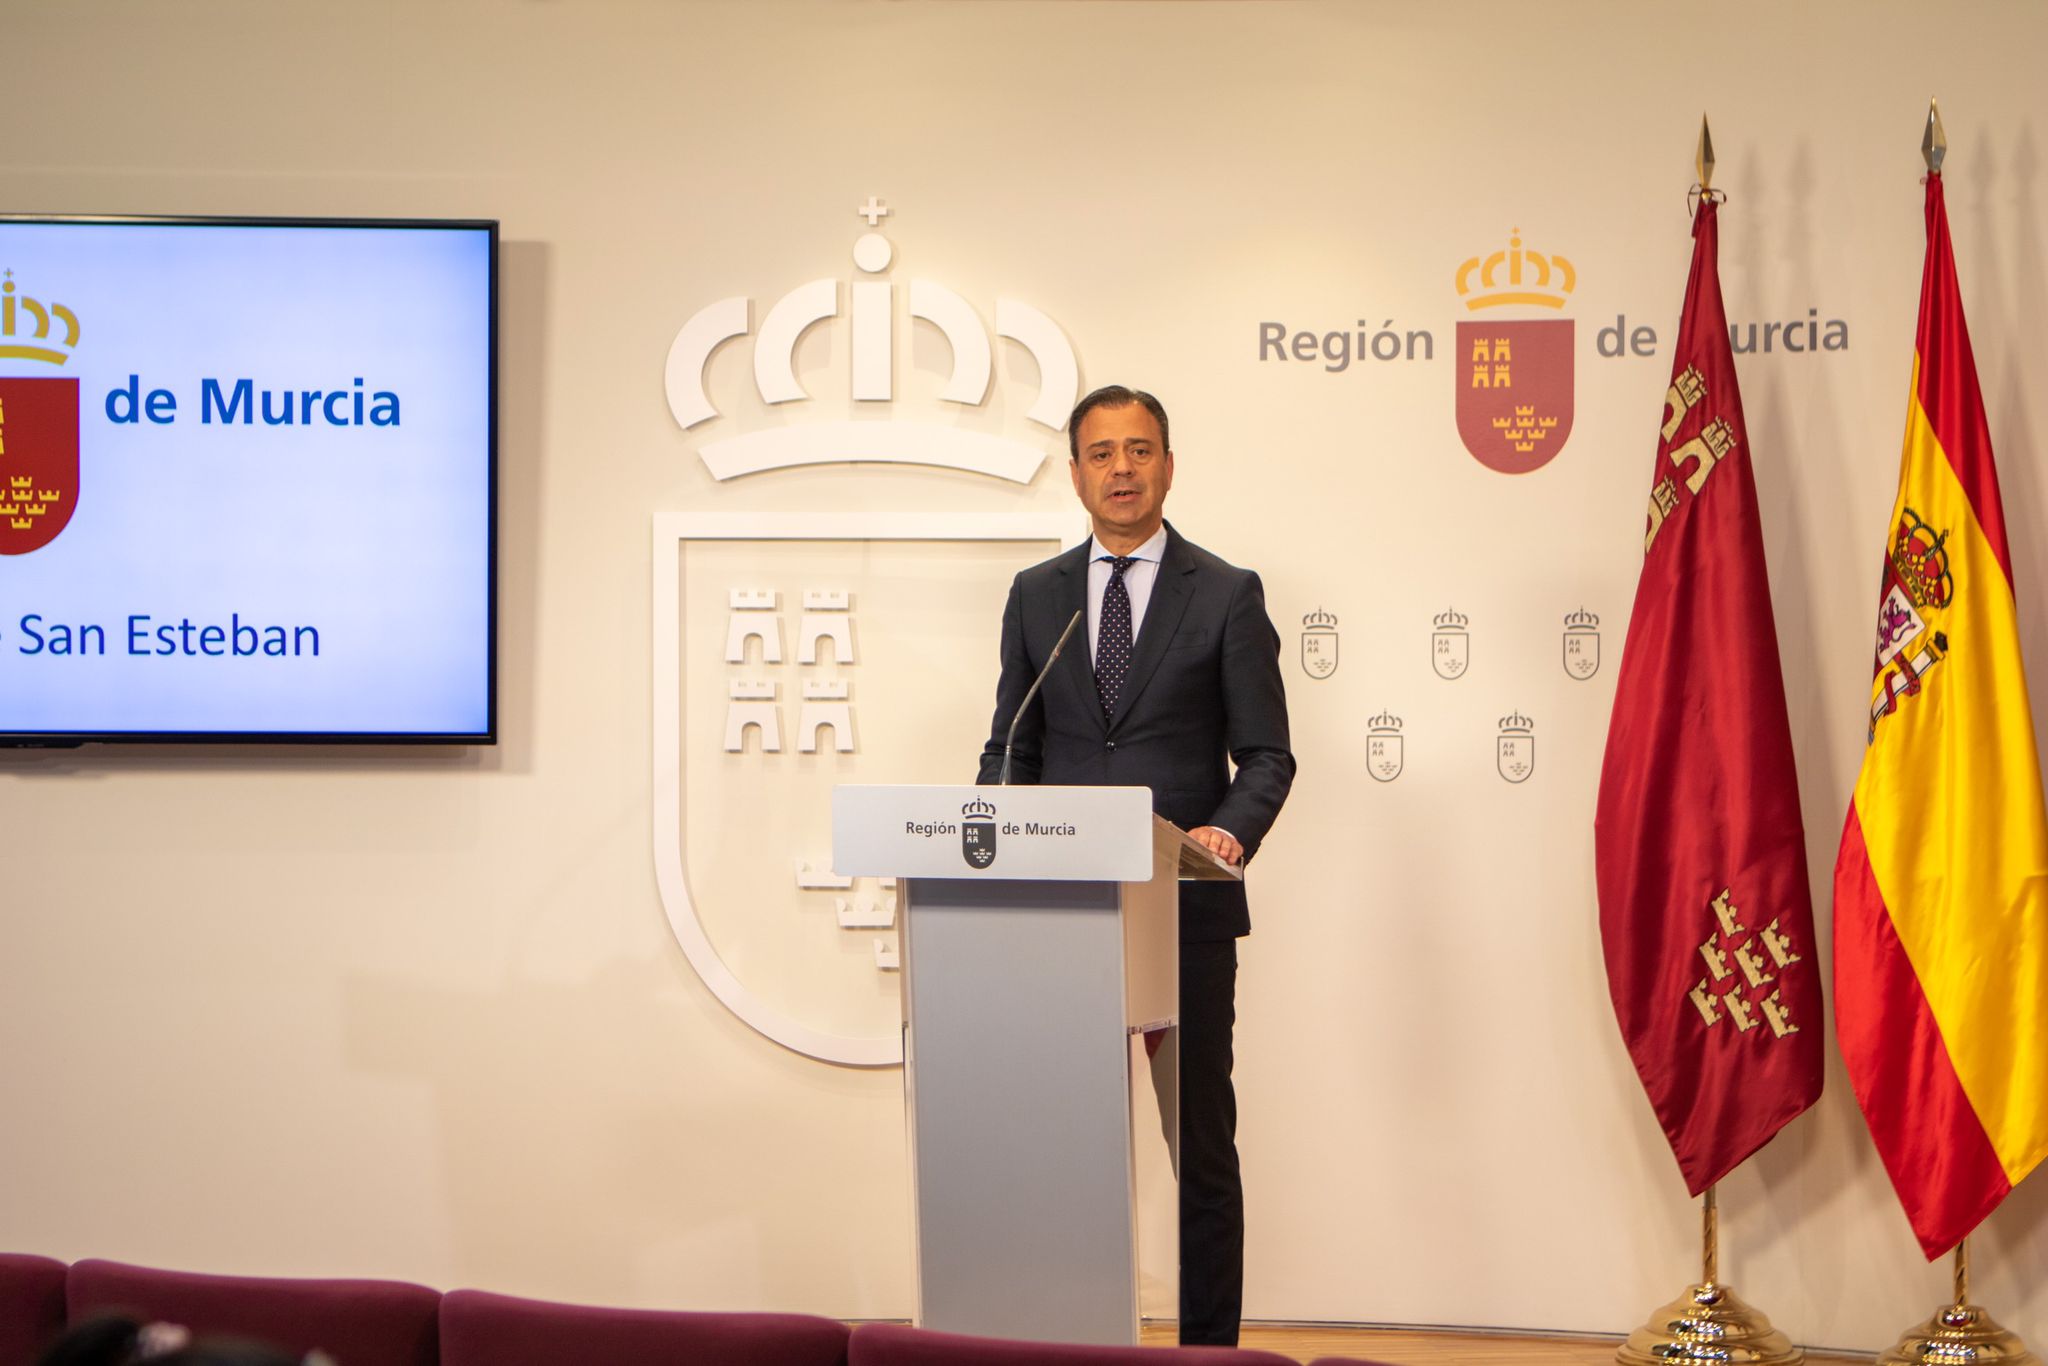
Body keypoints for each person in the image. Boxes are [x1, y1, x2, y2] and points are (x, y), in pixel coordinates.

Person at [976, 384, 1294, 1346]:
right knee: (1067, 1152)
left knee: (1198, 1150)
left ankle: (1207, 1354)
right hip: (1063, 919)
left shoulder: (1227, 592)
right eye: (1102, 453)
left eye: (1140, 450)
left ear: (1168, 463)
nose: (1122, 468)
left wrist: (1228, 834)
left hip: (1181, 912)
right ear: (1074, 472)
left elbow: (1268, 756)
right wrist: (987, 832)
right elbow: (1011, 748)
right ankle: (1074, 1336)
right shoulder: (1037, 597)